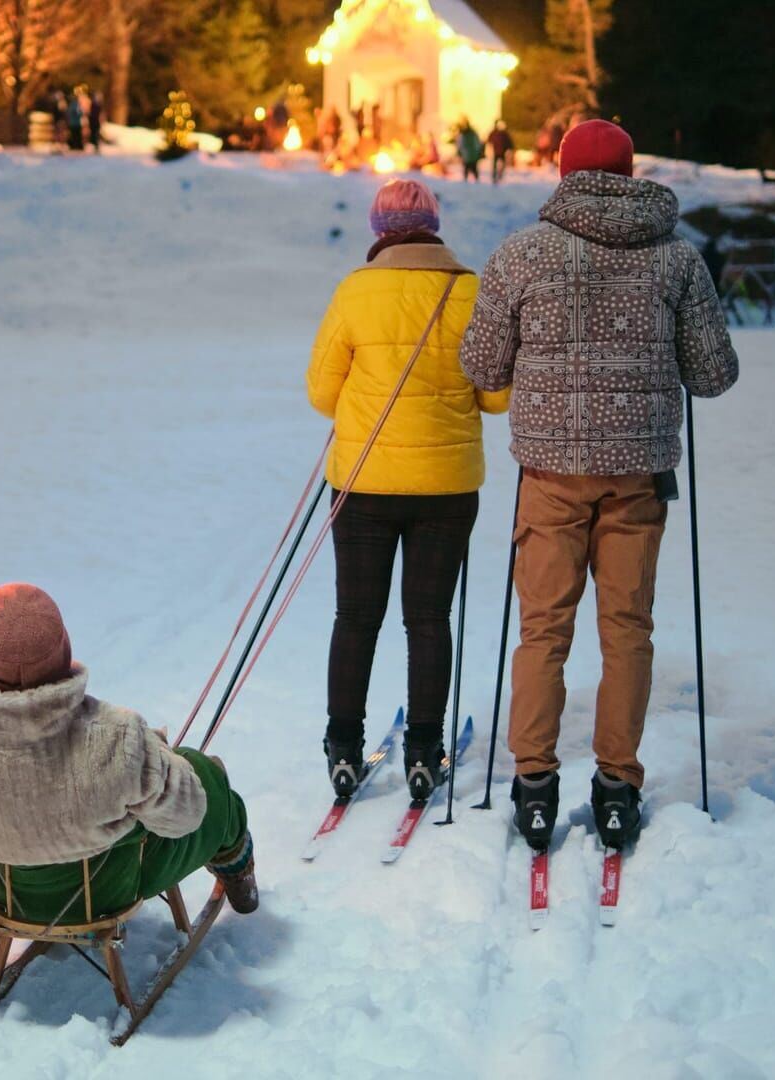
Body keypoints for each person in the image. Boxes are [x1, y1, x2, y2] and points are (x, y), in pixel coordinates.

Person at [459, 120, 739, 856]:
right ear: (631, 171)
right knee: (627, 630)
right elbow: (714, 375)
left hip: (550, 474)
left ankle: (534, 784)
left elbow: (483, 367)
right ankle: (618, 787)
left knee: (542, 631)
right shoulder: (678, 260)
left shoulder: (521, 253)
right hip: (637, 476)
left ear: (561, 172)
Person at [307, 180, 511, 800]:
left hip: (363, 482)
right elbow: (496, 398)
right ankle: (425, 751)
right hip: (446, 487)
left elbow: (321, 393)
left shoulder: (354, 289)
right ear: (433, 227)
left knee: (356, 617)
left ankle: (342, 747)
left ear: (377, 230)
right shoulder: (470, 291)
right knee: (427, 619)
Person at [0, 585, 258, 923]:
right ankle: (237, 870)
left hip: (12, 894)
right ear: (65, 652)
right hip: (112, 889)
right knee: (207, 777)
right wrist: (155, 756)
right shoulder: (118, 737)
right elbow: (185, 816)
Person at [487, 120, 515, 185]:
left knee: (502, 165)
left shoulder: (504, 134)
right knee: (495, 165)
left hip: (502, 152)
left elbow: (509, 142)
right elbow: (489, 140)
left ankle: (499, 175)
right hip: (496, 152)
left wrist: (510, 148)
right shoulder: (495, 133)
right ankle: (495, 176)